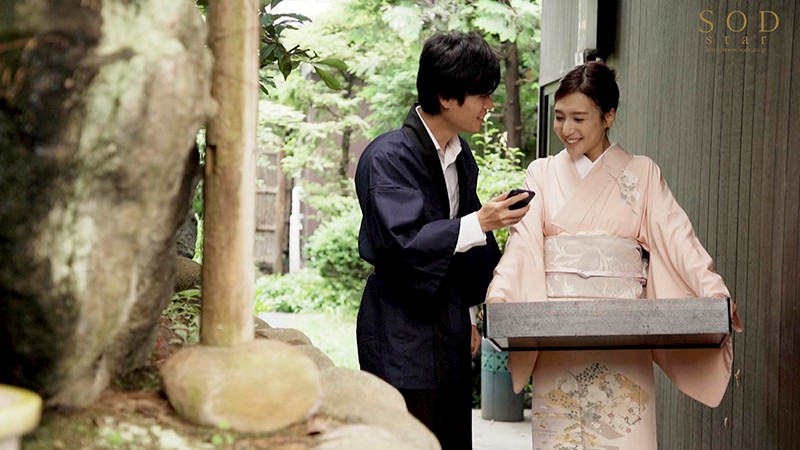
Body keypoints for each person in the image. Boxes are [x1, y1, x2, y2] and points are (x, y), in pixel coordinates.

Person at [486, 62, 743, 449]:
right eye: (559, 117)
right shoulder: (541, 173)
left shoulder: (641, 173)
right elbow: (523, 244)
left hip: (625, 331)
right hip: (557, 331)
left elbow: (676, 236)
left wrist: (713, 290)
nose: (566, 129)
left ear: (608, 116)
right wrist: (501, 294)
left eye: (579, 118)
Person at [354, 31, 530, 450]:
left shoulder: (460, 156)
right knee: (406, 439)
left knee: (452, 437)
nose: (490, 106)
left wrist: (470, 314)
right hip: (398, 330)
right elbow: (402, 244)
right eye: (482, 96)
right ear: (447, 96)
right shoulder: (387, 157)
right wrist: (478, 222)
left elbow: (465, 249)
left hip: (448, 326)